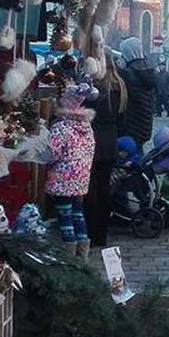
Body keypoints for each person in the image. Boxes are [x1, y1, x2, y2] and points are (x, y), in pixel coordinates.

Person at [46, 83, 98, 259]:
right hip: (80, 178)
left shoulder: (61, 127)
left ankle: (69, 252)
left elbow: (52, 153)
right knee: (78, 213)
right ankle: (82, 253)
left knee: (65, 215)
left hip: (62, 178)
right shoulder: (86, 126)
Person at [84, 59, 127, 249]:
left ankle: (90, 234)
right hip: (110, 142)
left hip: (94, 141)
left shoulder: (96, 90)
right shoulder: (121, 88)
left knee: (91, 190)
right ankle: (101, 234)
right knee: (104, 190)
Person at [117, 38, 156, 151]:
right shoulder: (147, 70)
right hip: (144, 126)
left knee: (128, 159)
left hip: (130, 126)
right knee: (137, 155)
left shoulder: (128, 74)